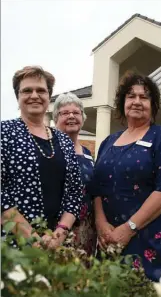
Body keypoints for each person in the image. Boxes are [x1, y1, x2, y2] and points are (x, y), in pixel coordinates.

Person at [89, 73, 161, 281]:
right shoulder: (108, 142)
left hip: (150, 240)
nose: (137, 102)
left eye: (144, 97)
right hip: (109, 239)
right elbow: (96, 187)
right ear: (123, 102)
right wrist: (100, 223)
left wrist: (129, 228)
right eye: (131, 96)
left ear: (153, 104)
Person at [1, 66, 83, 249]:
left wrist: (59, 234)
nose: (34, 95)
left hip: (57, 246)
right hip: (13, 245)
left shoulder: (64, 140)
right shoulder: (3, 133)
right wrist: (32, 238)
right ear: (18, 97)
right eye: (27, 90)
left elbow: (75, 194)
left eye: (41, 90)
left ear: (49, 96)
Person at [53, 92, 96, 255]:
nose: (71, 116)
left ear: (83, 118)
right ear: (56, 118)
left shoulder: (86, 152)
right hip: (57, 227)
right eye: (65, 113)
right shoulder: (50, 149)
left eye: (76, 113)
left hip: (86, 229)